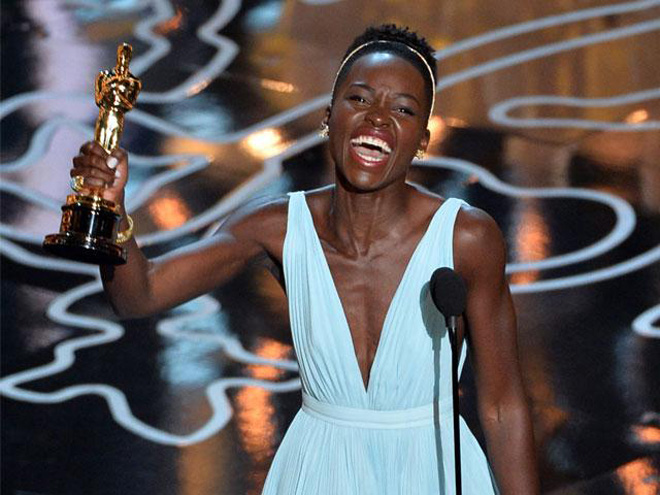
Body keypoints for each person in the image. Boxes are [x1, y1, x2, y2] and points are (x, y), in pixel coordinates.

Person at [71, 24, 539, 495]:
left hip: (432, 474)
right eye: (359, 99)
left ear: (422, 138)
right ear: (328, 117)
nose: (378, 119)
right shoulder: (274, 226)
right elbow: (139, 295)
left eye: (402, 109)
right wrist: (112, 209)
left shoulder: (467, 238)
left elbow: (503, 405)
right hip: (319, 473)